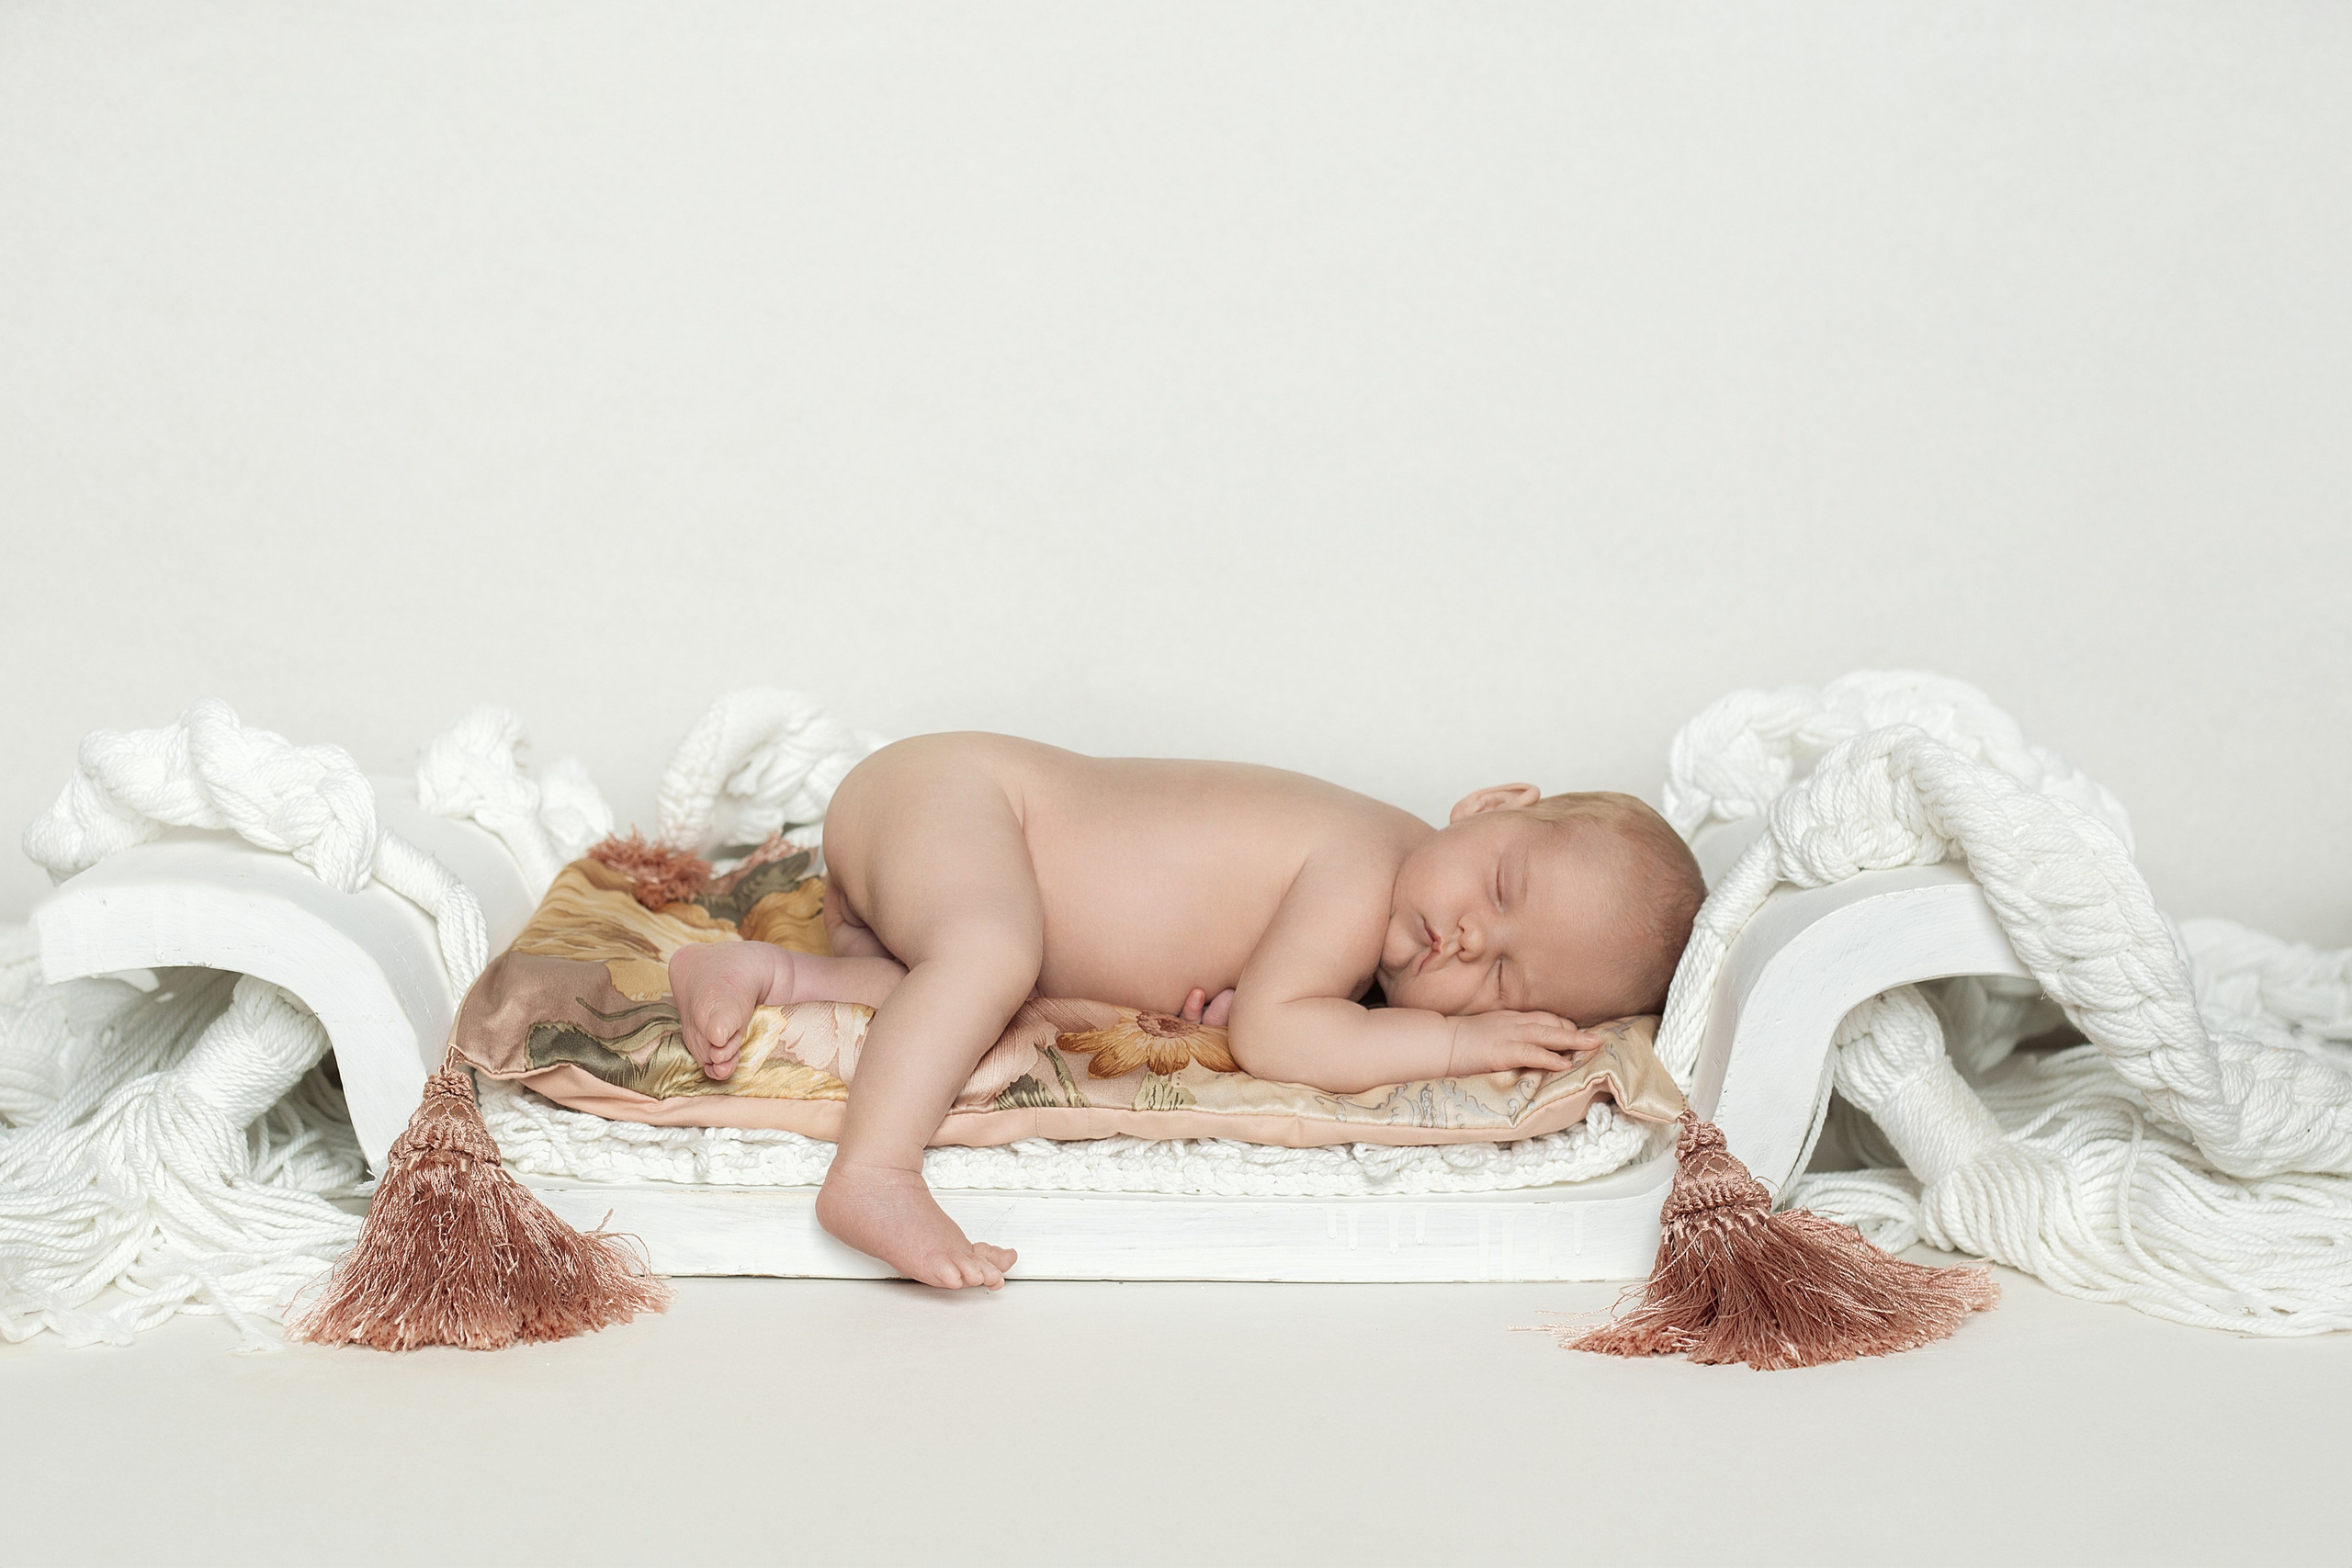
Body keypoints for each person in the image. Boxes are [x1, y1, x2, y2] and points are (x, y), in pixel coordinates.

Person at [667, 733, 1704, 1291]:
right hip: (962, 793)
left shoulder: (1376, 905)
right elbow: (1278, 1038)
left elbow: (1259, 1000)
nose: (1472, 939)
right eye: (1503, 889)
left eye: (1508, 981)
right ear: (1488, 807)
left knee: (960, 994)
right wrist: (1457, 1035)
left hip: (923, 848)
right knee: (985, 952)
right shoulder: (1367, 862)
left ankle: (765, 976)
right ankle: (874, 1174)